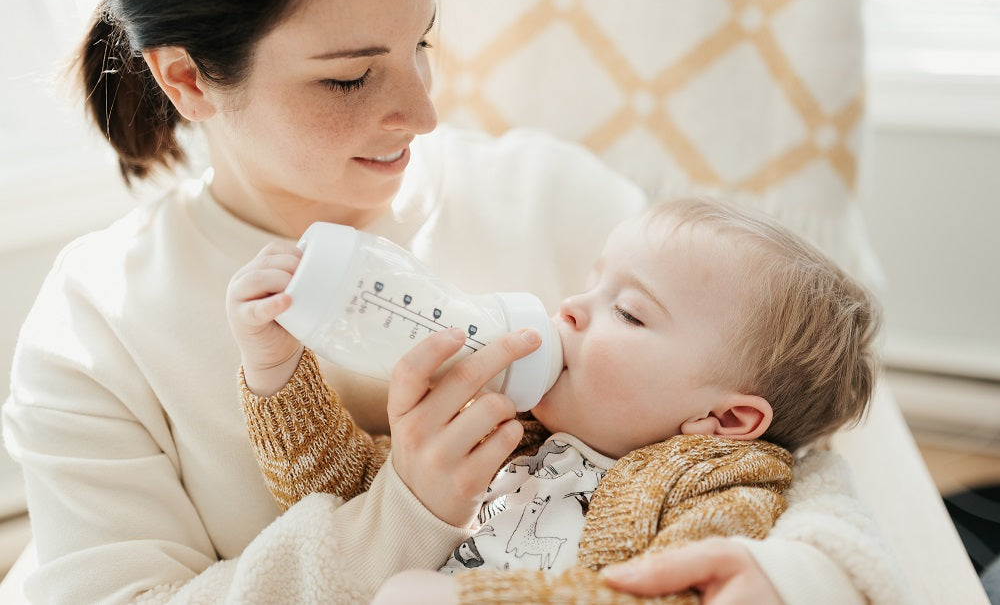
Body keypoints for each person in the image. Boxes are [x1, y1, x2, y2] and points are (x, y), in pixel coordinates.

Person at [0, 0, 905, 603]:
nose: (426, 113)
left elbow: (791, 441)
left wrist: (794, 579)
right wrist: (404, 512)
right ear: (187, 80)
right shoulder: (95, 326)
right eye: (351, 78)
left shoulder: (555, 198)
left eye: (422, 45)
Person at [230, 197, 894, 603]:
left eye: (629, 313)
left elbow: (681, 595)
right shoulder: (508, 430)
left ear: (722, 419)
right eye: (591, 285)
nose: (571, 309)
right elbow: (348, 505)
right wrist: (276, 370)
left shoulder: (719, 483)